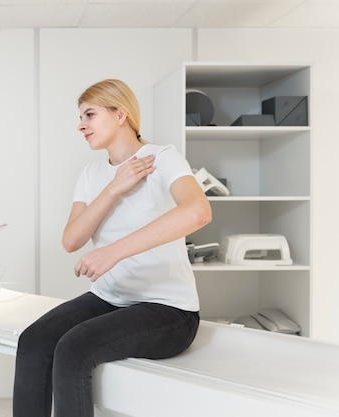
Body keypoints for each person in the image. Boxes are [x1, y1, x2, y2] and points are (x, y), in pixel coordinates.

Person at [12, 79, 212, 417]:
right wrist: (114, 188)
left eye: (89, 114)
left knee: (73, 347)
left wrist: (114, 251)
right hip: (109, 298)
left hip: (168, 309)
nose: (81, 125)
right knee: (34, 340)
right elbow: (71, 240)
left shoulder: (163, 158)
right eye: (80, 117)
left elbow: (198, 212)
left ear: (121, 115)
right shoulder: (91, 174)